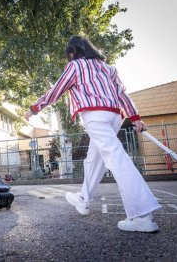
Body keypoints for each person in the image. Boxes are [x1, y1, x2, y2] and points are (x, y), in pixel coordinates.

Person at [24, 36, 161, 233]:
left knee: (116, 159)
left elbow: (57, 90)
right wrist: (135, 117)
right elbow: (122, 94)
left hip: (95, 116)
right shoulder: (109, 68)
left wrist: (34, 108)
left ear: (73, 52)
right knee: (94, 160)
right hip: (114, 117)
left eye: (68, 54)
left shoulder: (75, 66)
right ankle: (83, 199)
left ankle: (142, 215)